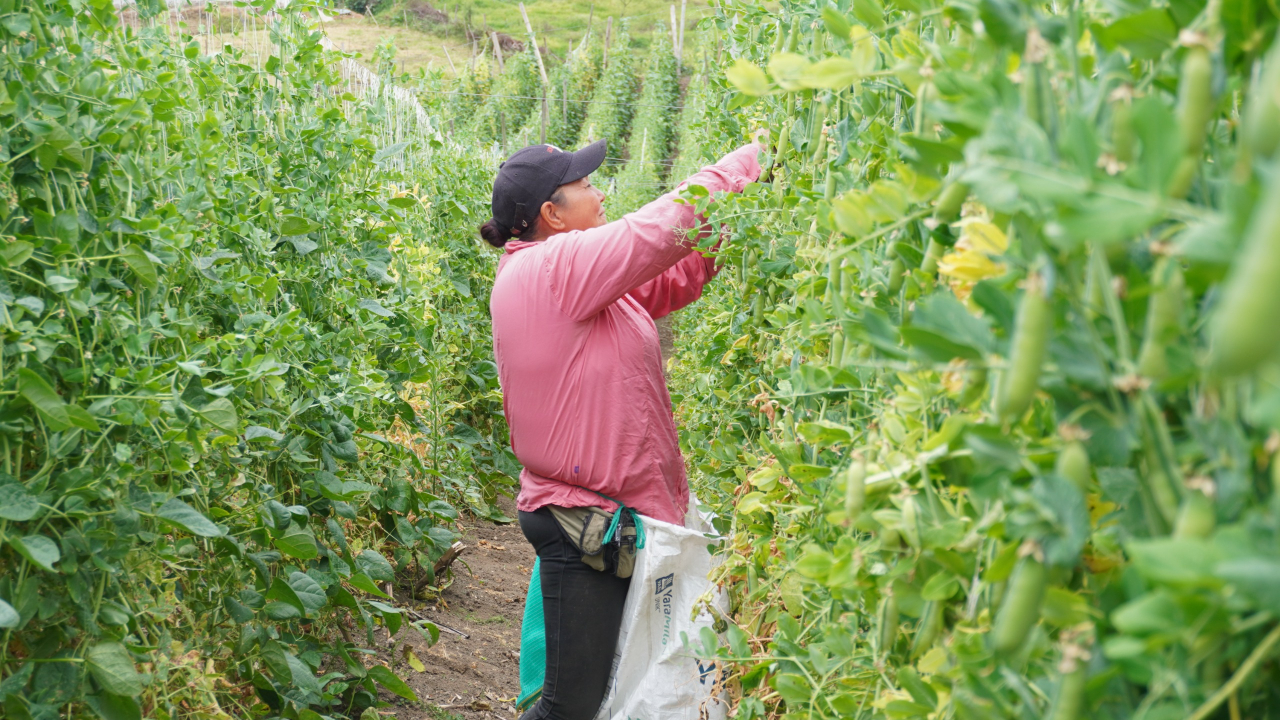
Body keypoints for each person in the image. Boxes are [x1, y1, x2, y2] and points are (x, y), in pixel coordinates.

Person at [483, 136, 762, 720]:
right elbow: (654, 231)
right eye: (585, 185)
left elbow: (670, 276)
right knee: (569, 708)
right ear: (551, 215)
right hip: (586, 521)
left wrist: (733, 217)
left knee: (604, 694)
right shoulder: (549, 268)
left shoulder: (578, 278)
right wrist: (748, 161)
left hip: (618, 516)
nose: (599, 191)